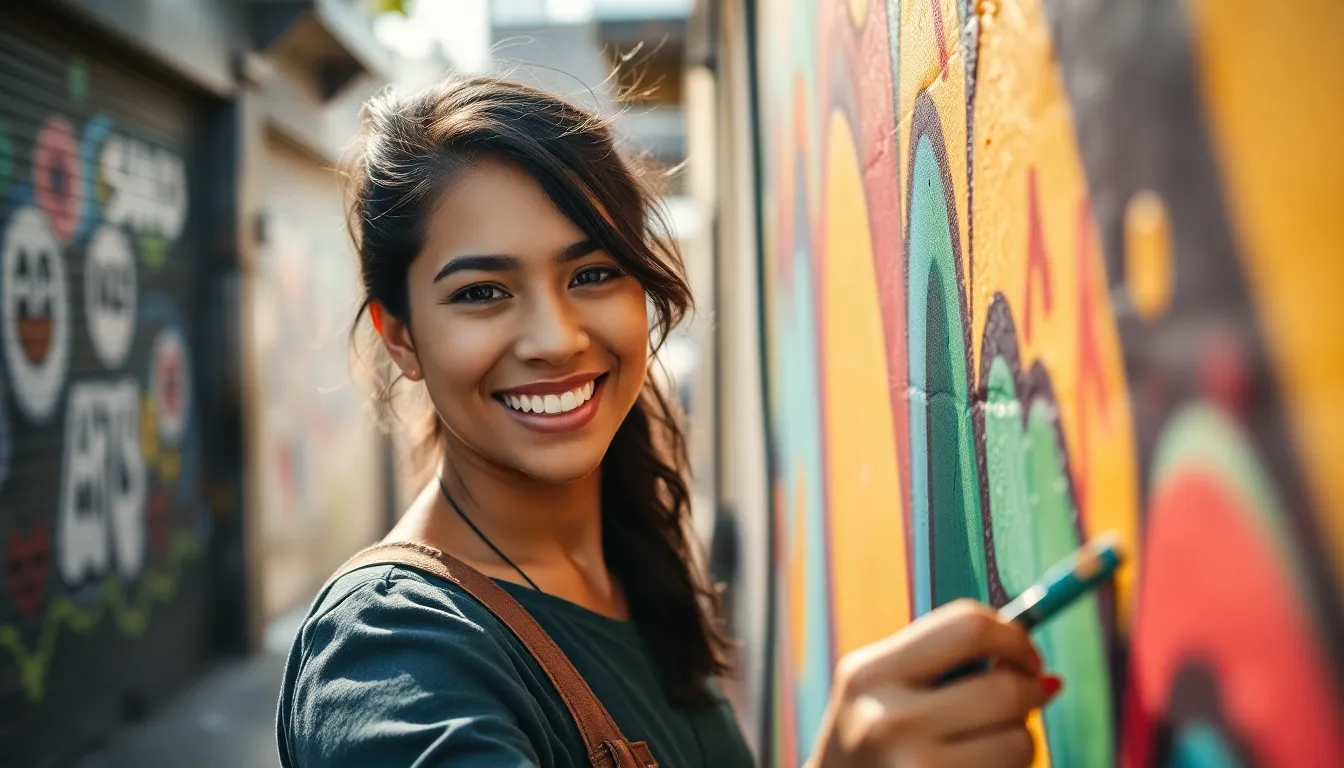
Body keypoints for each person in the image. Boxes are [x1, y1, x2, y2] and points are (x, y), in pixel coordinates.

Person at [275, 75, 1062, 768]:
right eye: (482, 291)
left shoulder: (630, 561)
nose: (556, 338)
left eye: (592, 273)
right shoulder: (392, 653)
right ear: (401, 335)